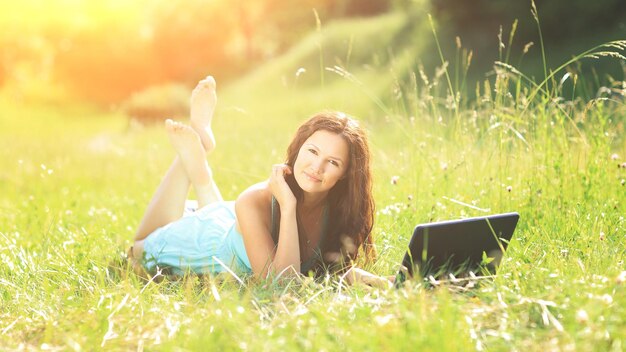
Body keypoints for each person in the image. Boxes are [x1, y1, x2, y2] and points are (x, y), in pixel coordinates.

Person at [128, 75, 391, 287]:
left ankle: (198, 167)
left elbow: (318, 276)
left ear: (346, 173)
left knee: (232, 240)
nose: (317, 167)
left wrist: (354, 277)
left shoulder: (337, 209)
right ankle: (193, 161)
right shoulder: (257, 199)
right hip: (197, 240)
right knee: (136, 253)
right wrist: (287, 207)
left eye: (333, 162)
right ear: (299, 148)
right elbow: (280, 285)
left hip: (231, 226)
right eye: (312, 152)